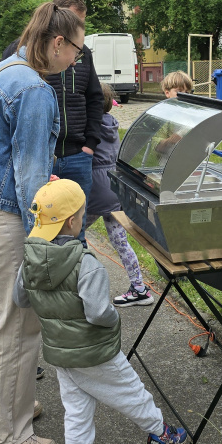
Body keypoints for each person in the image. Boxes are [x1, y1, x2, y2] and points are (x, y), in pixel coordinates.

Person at [0, 0, 86, 444]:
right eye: (76, 51)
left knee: (9, 319)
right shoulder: (33, 88)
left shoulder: (5, 69)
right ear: (57, 43)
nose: (76, 61)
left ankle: (15, 405)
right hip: (1, 213)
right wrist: (44, 241)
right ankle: (3, 438)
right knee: (16, 325)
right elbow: (29, 176)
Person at [14, 179, 187, 444]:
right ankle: (160, 433)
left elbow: (20, 299)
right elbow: (98, 313)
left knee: (77, 414)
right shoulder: (86, 263)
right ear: (72, 222)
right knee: (130, 391)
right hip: (95, 351)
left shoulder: (30, 259)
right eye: (82, 214)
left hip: (61, 354)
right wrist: (114, 318)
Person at [3, 0, 102, 202]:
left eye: (81, 23)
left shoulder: (83, 53)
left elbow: (95, 98)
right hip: (38, 158)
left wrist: (90, 145)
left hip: (78, 155)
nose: (78, 30)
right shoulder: (20, 51)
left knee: (76, 218)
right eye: (73, 22)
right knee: (39, 215)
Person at [83, 83, 151, 307]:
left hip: (96, 189)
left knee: (74, 235)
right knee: (120, 240)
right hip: (114, 188)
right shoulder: (111, 124)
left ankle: (81, 285)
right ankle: (139, 288)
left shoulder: (89, 125)